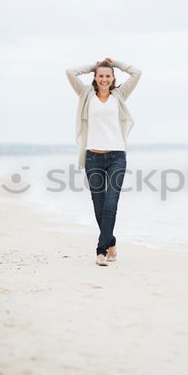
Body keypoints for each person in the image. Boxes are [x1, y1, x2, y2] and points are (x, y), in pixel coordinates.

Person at [66, 57, 142, 266]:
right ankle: (112, 243)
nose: (104, 79)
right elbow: (70, 72)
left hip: (117, 156)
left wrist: (115, 62)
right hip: (93, 158)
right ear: (95, 77)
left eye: (108, 76)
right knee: (99, 207)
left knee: (111, 205)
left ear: (113, 77)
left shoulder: (120, 95)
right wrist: (94, 65)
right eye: (101, 75)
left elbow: (137, 72)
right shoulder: (85, 94)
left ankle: (100, 251)